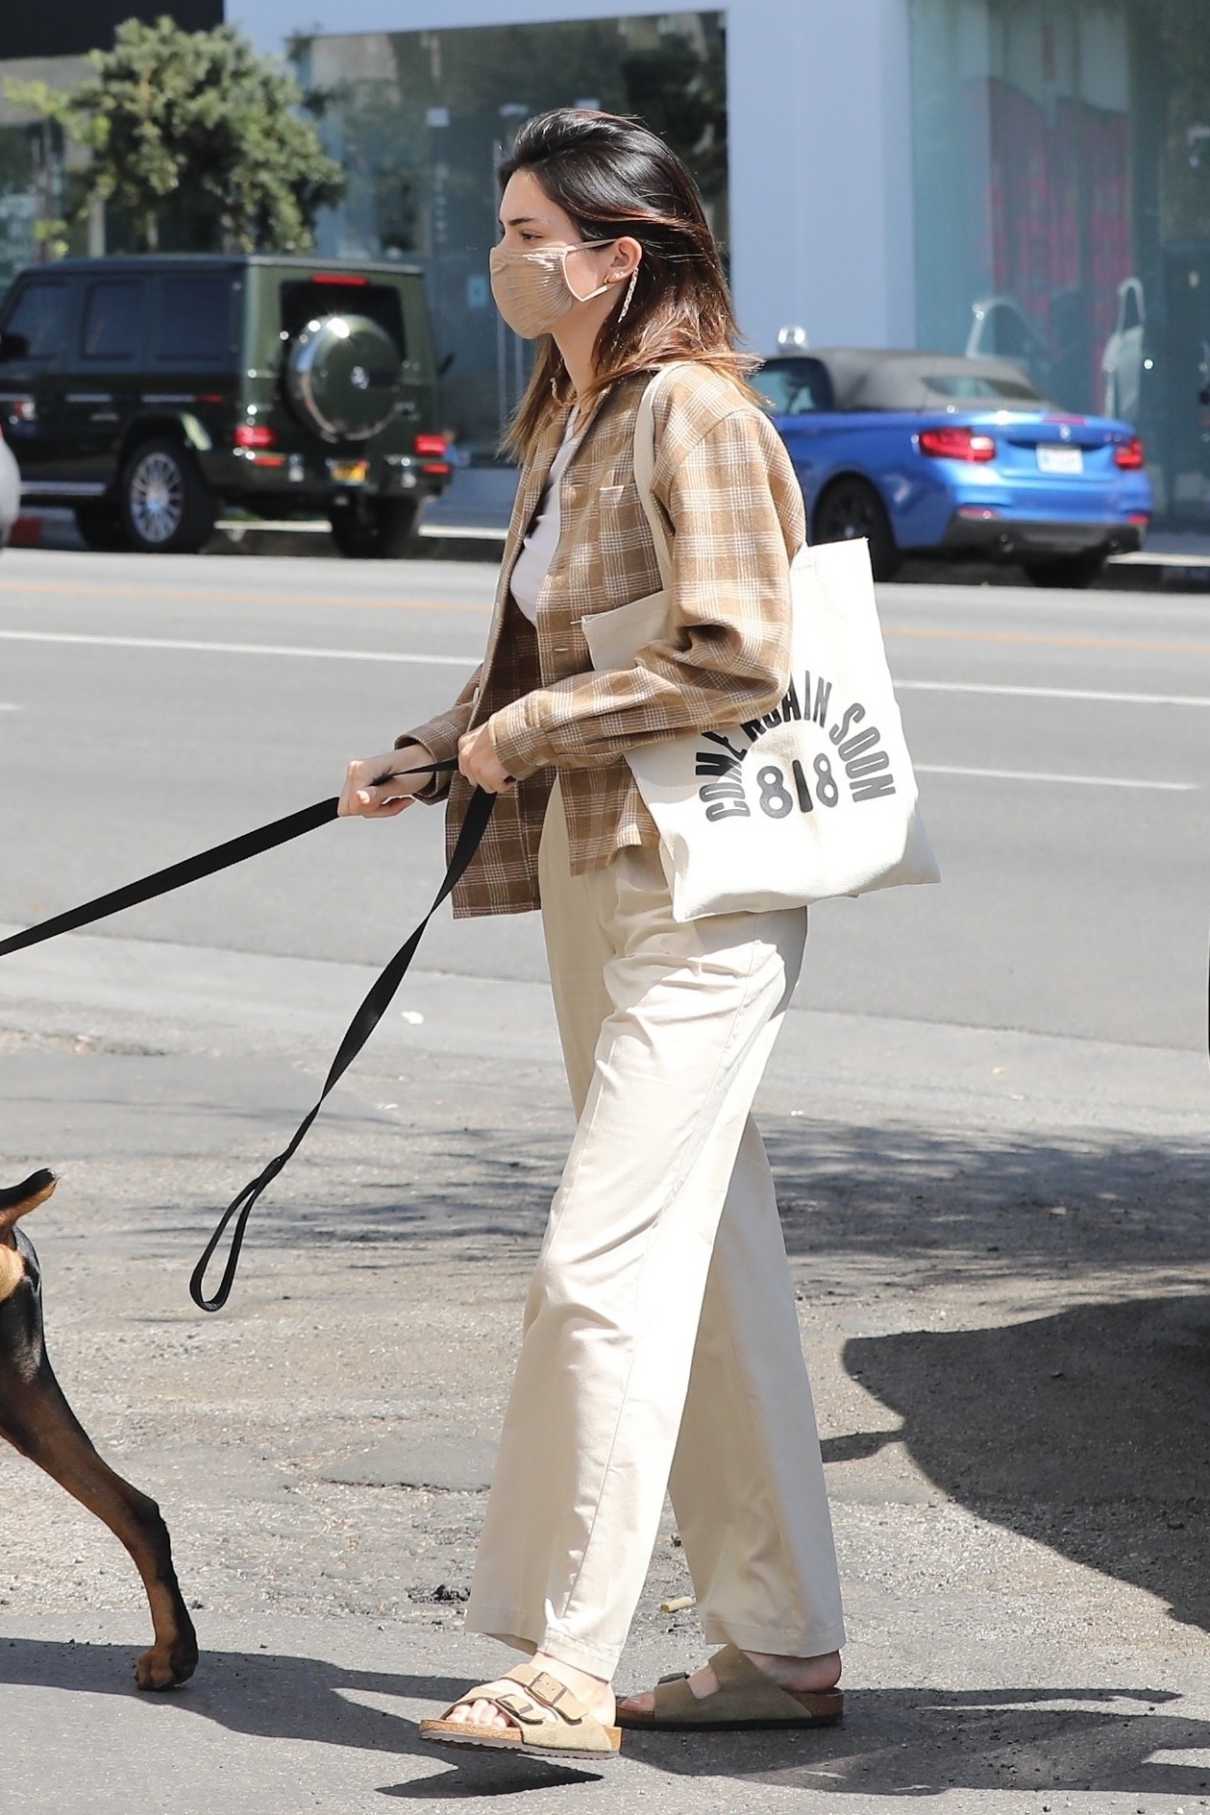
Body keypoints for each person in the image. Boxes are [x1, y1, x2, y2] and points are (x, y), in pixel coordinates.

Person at [339, 106, 845, 1765]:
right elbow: (546, 656)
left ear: (614, 257)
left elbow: (737, 652)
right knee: (705, 1268)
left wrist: (532, 728)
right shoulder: (573, 412)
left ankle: (564, 1656)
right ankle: (776, 1644)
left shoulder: (691, 412)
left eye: (522, 234)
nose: (500, 259)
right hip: (595, 869)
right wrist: (440, 744)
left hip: (696, 892)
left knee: (600, 1264)